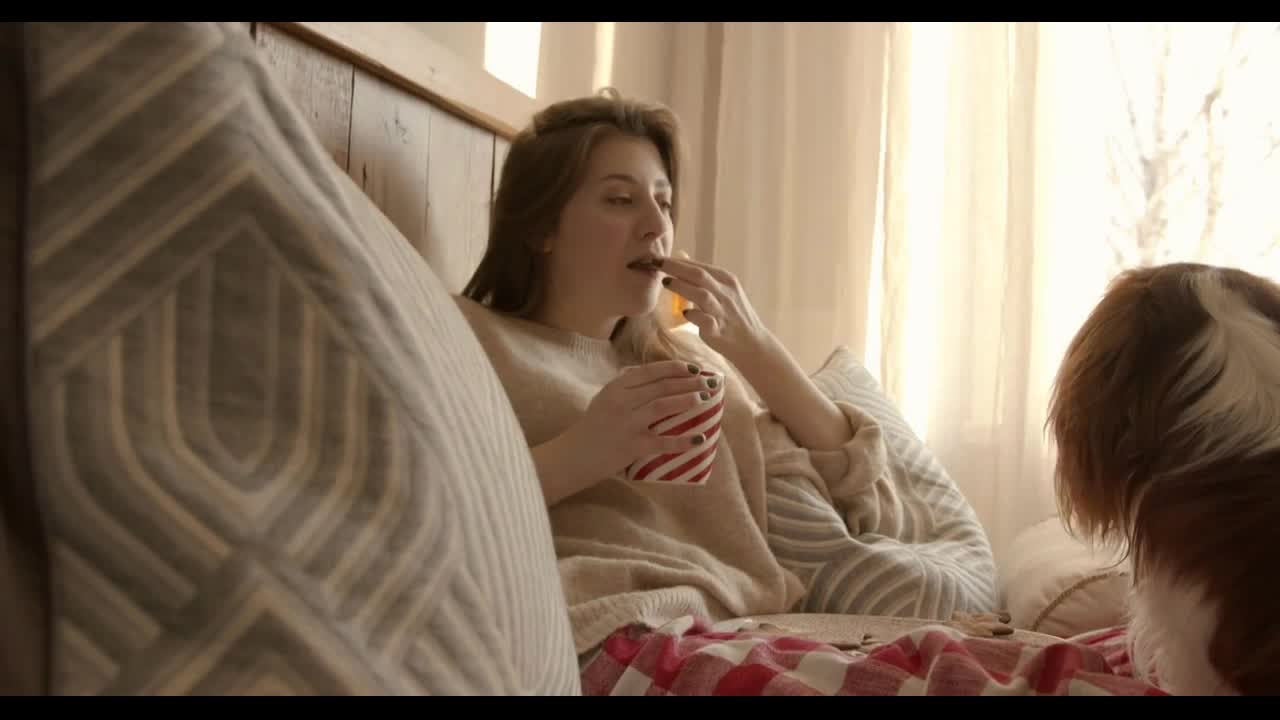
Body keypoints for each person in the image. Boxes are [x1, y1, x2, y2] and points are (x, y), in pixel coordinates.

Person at [453, 88, 891, 657]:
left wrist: (757, 349)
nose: (656, 223)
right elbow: (428, 509)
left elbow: (863, 500)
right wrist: (583, 450)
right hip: (615, 632)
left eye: (664, 201)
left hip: (752, 626)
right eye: (619, 200)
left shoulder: (690, 364)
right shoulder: (471, 339)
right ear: (541, 229)